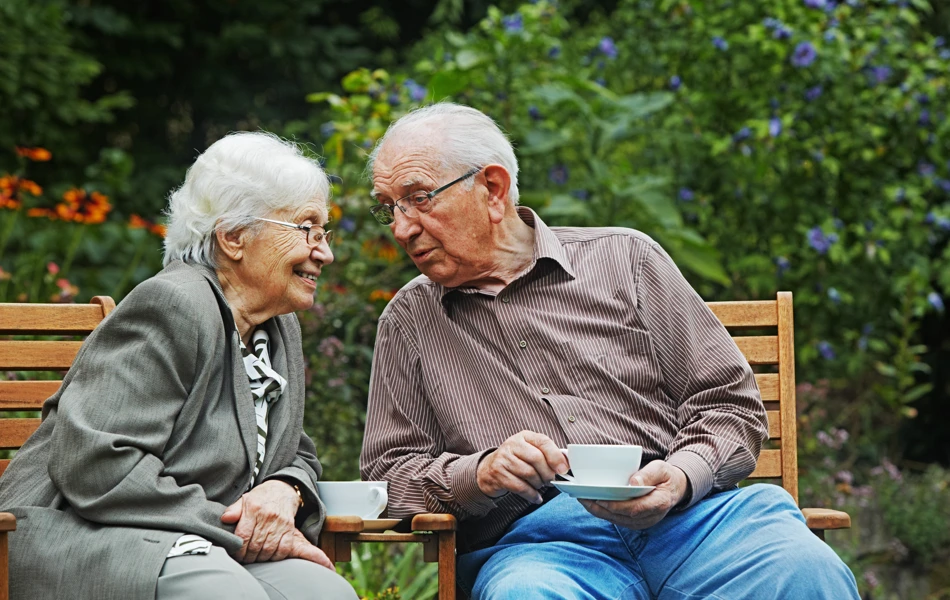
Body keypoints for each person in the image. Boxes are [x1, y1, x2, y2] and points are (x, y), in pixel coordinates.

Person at [359, 103, 860, 599]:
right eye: (391, 208)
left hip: (694, 525)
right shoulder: (409, 323)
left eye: (420, 199)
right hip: (545, 551)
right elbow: (386, 477)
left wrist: (682, 476)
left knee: (803, 568)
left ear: (493, 189)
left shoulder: (627, 259)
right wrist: (480, 473)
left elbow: (729, 405)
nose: (402, 228)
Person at [0, 132, 358, 600]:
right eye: (305, 228)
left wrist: (285, 489)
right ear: (233, 237)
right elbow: (96, 461)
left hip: (190, 539)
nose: (324, 251)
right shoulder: (173, 304)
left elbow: (295, 449)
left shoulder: (276, 326)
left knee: (326, 594)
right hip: (75, 535)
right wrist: (231, 525)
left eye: (324, 231)